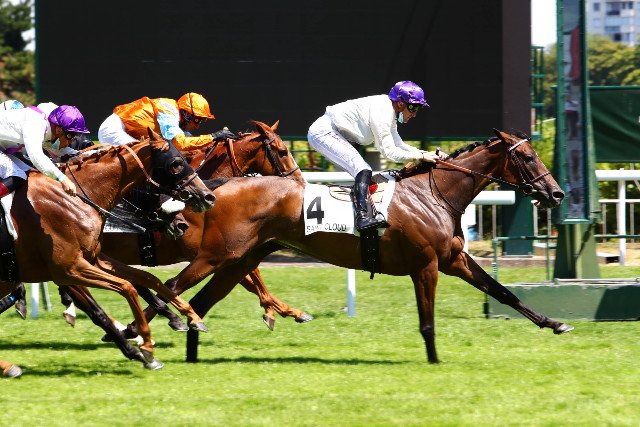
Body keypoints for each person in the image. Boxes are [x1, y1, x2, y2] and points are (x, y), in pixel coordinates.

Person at [307, 80, 445, 231]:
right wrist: (420, 157)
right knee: (363, 169)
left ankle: (361, 215)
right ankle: (362, 218)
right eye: (413, 107)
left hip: (328, 131)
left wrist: (425, 154)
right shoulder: (383, 111)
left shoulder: (389, 111)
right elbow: (389, 152)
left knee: (363, 170)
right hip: (324, 132)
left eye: (417, 108)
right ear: (400, 103)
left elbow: (399, 144)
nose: (414, 114)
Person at [0, 103, 90, 198]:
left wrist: (88, 153)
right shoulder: (35, 124)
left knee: (29, 173)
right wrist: (63, 179)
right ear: (59, 130)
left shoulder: (47, 126)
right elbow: (37, 158)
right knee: (18, 175)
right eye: (71, 136)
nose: (72, 141)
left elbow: (54, 148)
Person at [98, 92, 237, 150]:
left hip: (124, 130)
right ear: (186, 114)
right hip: (114, 130)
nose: (197, 126)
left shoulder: (175, 115)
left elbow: (189, 143)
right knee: (152, 156)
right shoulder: (169, 113)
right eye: (197, 120)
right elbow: (181, 144)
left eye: (201, 121)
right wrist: (213, 136)